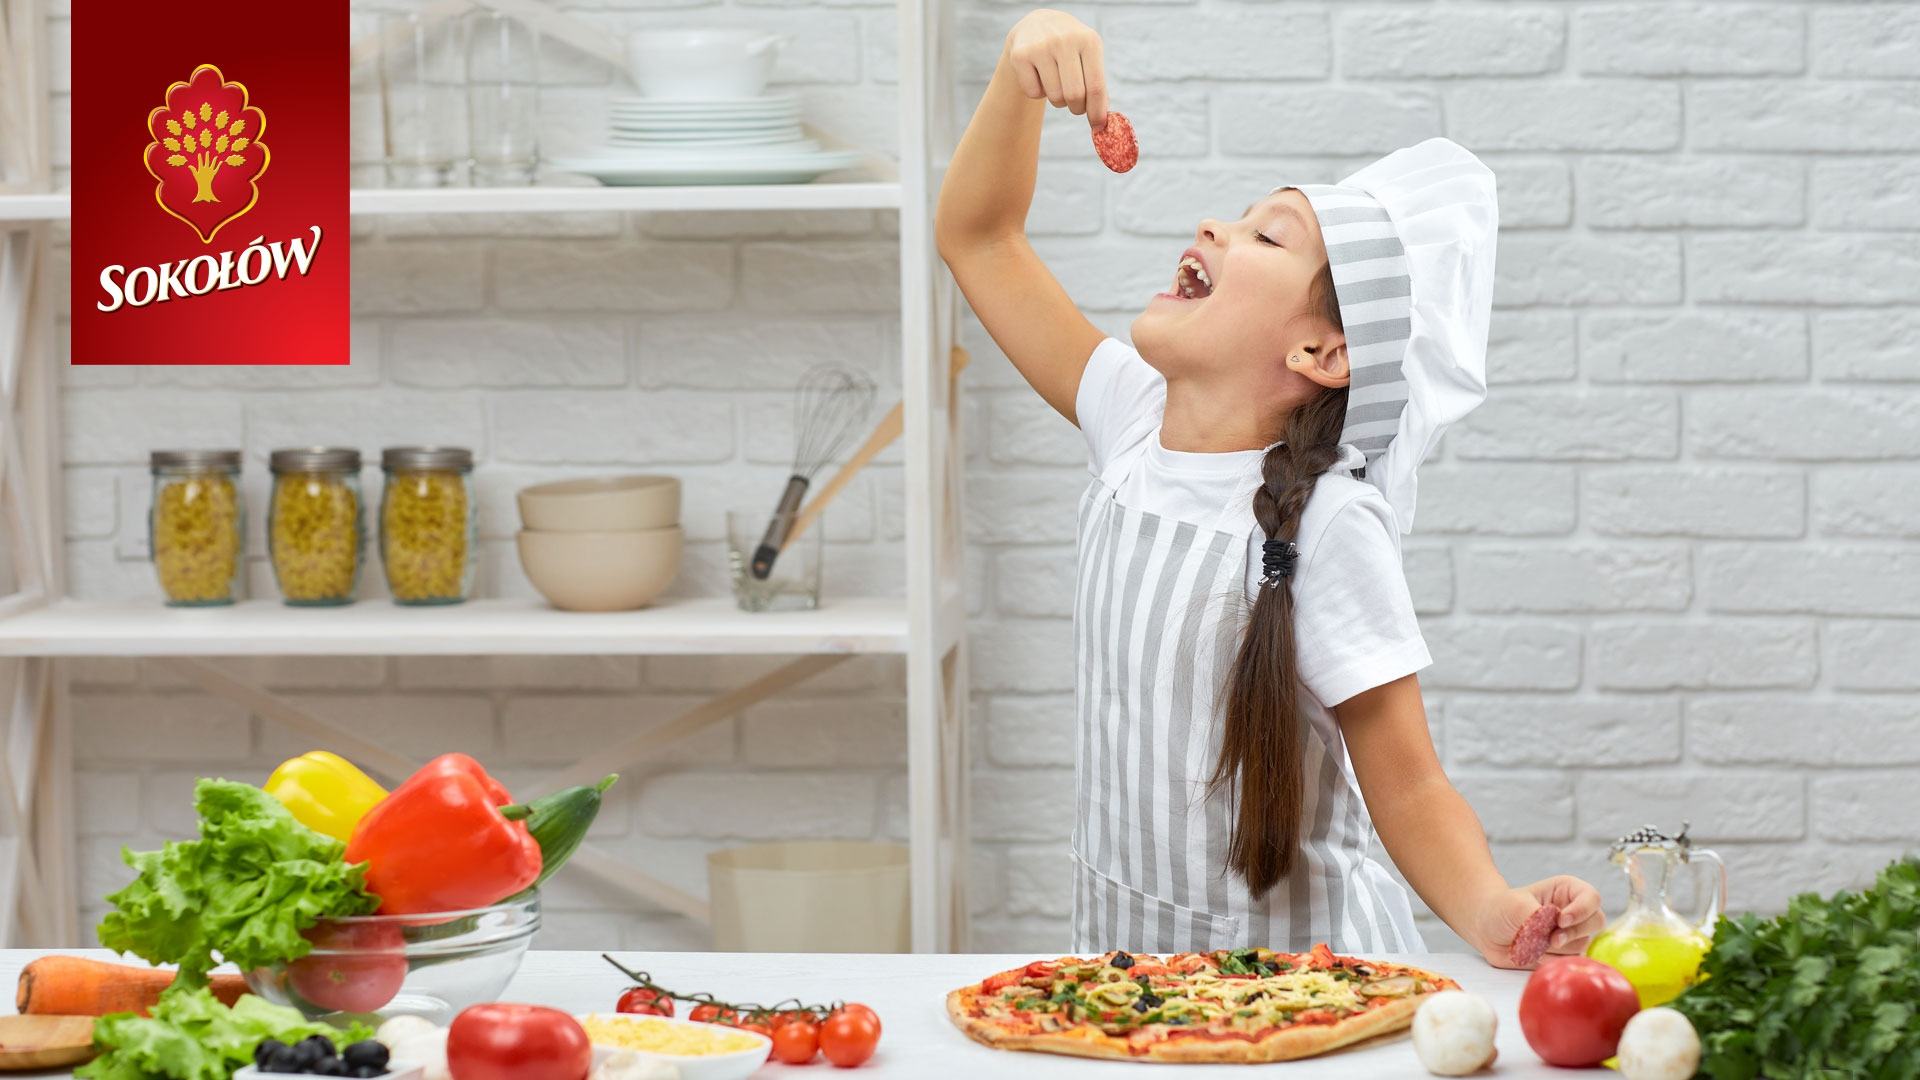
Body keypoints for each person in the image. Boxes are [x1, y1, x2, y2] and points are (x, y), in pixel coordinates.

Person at [936, 9, 1604, 966]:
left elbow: (1406, 784)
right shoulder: (1128, 416)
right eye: (1236, 215)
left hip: (1302, 988)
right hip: (1128, 966)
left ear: (1323, 350)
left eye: (1266, 234)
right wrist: (1018, 72)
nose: (1216, 223)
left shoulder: (1330, 524)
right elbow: (978, 236)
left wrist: (1493, 911)